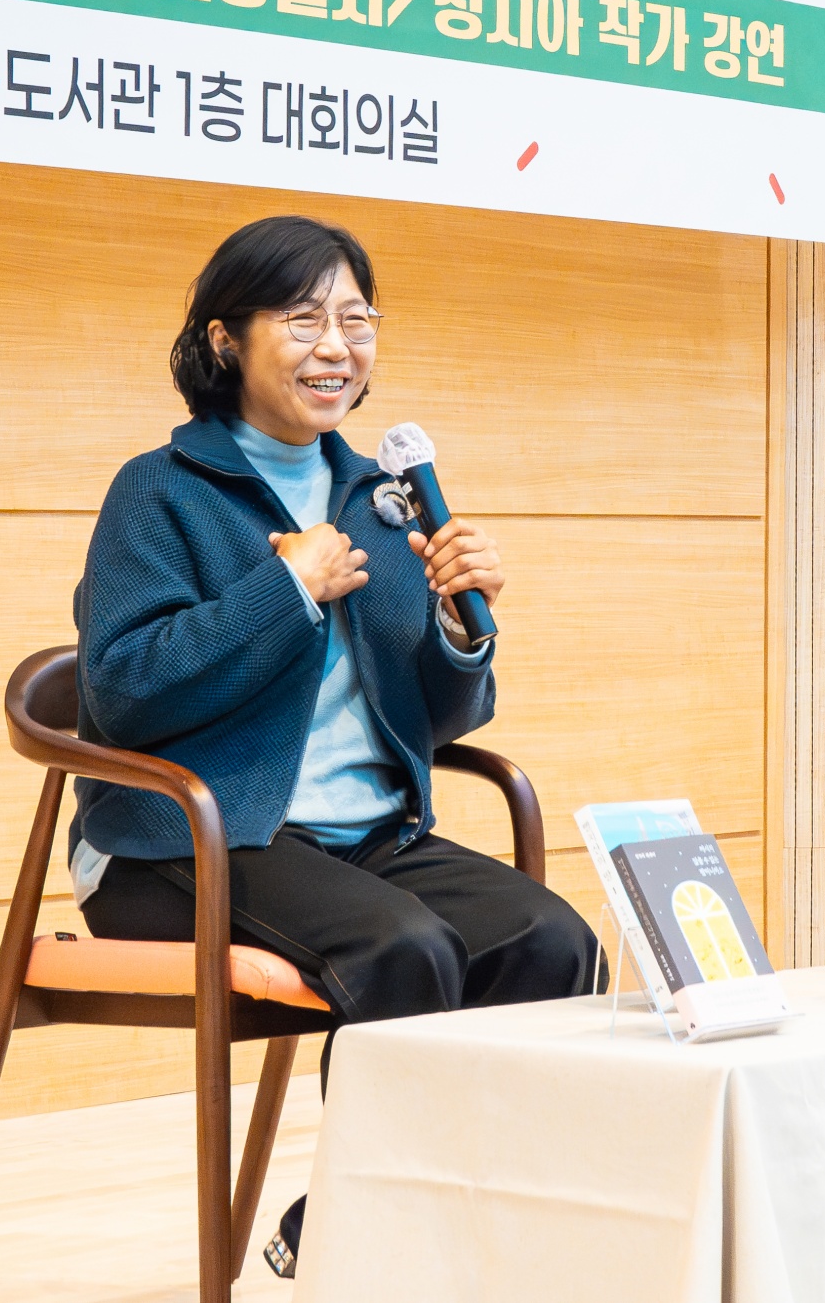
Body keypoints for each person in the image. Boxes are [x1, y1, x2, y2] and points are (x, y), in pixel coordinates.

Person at [71, 215, 599, 1275]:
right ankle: (371, 1247)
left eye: (357, 321)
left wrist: (459, 628)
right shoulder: (160, 491)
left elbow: (435, 721)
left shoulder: (380, 498)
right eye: (303, 318)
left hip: (365, 838)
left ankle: (398, 1222)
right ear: (225, 339)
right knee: (403, 948)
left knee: (551, 940)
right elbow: (121, 692)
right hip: (189, 839)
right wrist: (285, 589)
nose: (335, 346)